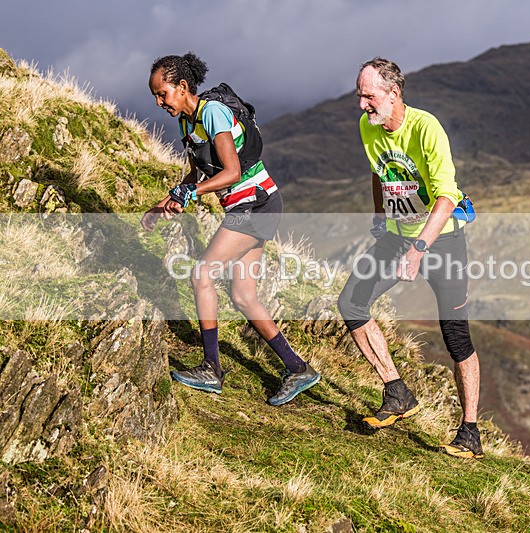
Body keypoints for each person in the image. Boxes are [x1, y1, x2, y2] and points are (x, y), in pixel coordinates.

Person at [141, 52, 320, 405]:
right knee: (243, 296)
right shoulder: (187, 124)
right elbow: (198, 175)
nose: (160, 102)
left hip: (255, 204)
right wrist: (165, 202)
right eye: (155, 97)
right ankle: (297, 368)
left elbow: (232, 172)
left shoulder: (212, 113)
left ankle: (211, 368)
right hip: (251, 205)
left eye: (163, 93)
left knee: (202, 275)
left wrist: (191, 193)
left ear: (182, 86)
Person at [337, 57, 483, 459]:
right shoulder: (368, 126)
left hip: (442, 241)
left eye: (369, 96)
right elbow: (378, 170)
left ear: (394, 93)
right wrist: (380, 217)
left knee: (456, 336)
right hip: (396, 238)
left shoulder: (426, 128)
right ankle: (397, 392)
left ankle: (470, 434)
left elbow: (447, 196)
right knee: (351, 303)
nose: (362, 104)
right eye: (360, 96)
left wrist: (419, 249)